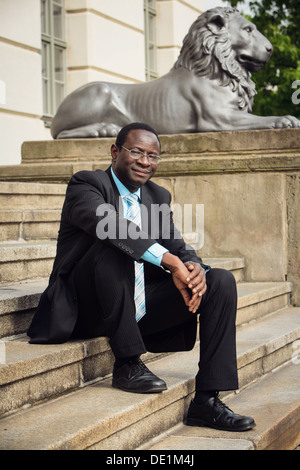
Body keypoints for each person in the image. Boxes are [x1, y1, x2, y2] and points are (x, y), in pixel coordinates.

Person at [28, 122, 255, 432]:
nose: (145, 162)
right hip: (85, 308)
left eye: (153, 155)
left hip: (136, 305)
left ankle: (207, 400)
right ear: (115, 152)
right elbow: (108, 224)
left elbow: (176, 244)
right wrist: (169, 261)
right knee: (114, 245)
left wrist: (194, 268)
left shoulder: (156, 195)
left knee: (220, 281)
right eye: (136, 152)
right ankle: (127, 363)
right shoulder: (87, 184)